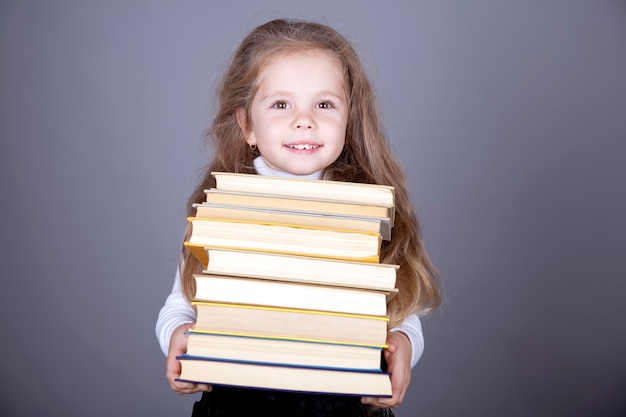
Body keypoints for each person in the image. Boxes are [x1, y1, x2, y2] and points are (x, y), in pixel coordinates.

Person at [156, 18, 441, 417]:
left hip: (342, 406)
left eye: (324, 104)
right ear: (247, 124)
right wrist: (178, 335)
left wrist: (404, 346)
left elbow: (402, 311)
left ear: (349, 120)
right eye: (281, 104)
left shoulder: (369, 212)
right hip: (239, 403)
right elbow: (180, 303)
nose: (304, 120)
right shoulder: (222, 208)